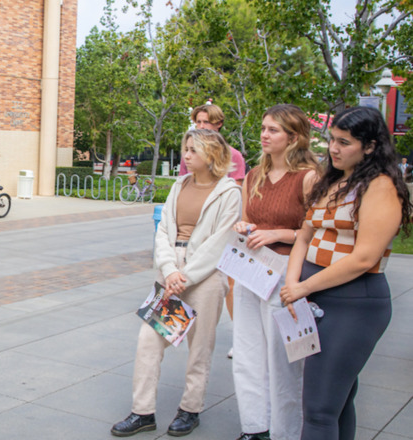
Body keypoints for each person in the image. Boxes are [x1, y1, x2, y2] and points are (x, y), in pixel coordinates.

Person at [280, 106, 412, 440]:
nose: (333, 149)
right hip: (317, 299)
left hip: (354, 303)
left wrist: (302, 287)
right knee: (336, 403)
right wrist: (293, 283)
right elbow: (304, 236)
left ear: (370, 146)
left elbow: (364, 258)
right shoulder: (335, 180)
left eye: (344, 142)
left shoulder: (380, 186)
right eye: (332, 140)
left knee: (318, 410)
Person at [111, 129, 241, 437]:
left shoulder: (229, 192)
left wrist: (186, 276)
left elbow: (220, 242)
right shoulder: (180, 184)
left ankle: (190, 409)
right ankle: (142, 412)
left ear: (212, 154)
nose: (186, 155)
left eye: (194, 150)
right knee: (149, 340)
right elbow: (164, 230)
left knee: (200, 346)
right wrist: (170, 271)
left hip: (205, 276)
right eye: (186, 148)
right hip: (172, 272)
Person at [231, 104, 319, 440]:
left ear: (293, 137)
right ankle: (255, 427)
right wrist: (244, 226)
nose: (264, 135)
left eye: (273, 130)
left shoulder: (308, 177)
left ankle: (287, 432)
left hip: (286, 272)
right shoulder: (253, 175)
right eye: (263, 128)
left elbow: (317, 233)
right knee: (248, 352)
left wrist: (279, 234)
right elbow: (248, 219)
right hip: (250, 267)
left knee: (285, 360)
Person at [179, 103, 246, 359]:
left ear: (218, 124)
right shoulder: (189, 154)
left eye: (206, 122)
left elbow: (233, 196)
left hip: (219, 231)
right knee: (180, 278)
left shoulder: (233, 156)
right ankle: (173, 328)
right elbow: (184, 189)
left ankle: (240, 338)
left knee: (227, 283)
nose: (201, 126)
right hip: (190, 235)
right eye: (198, 122)